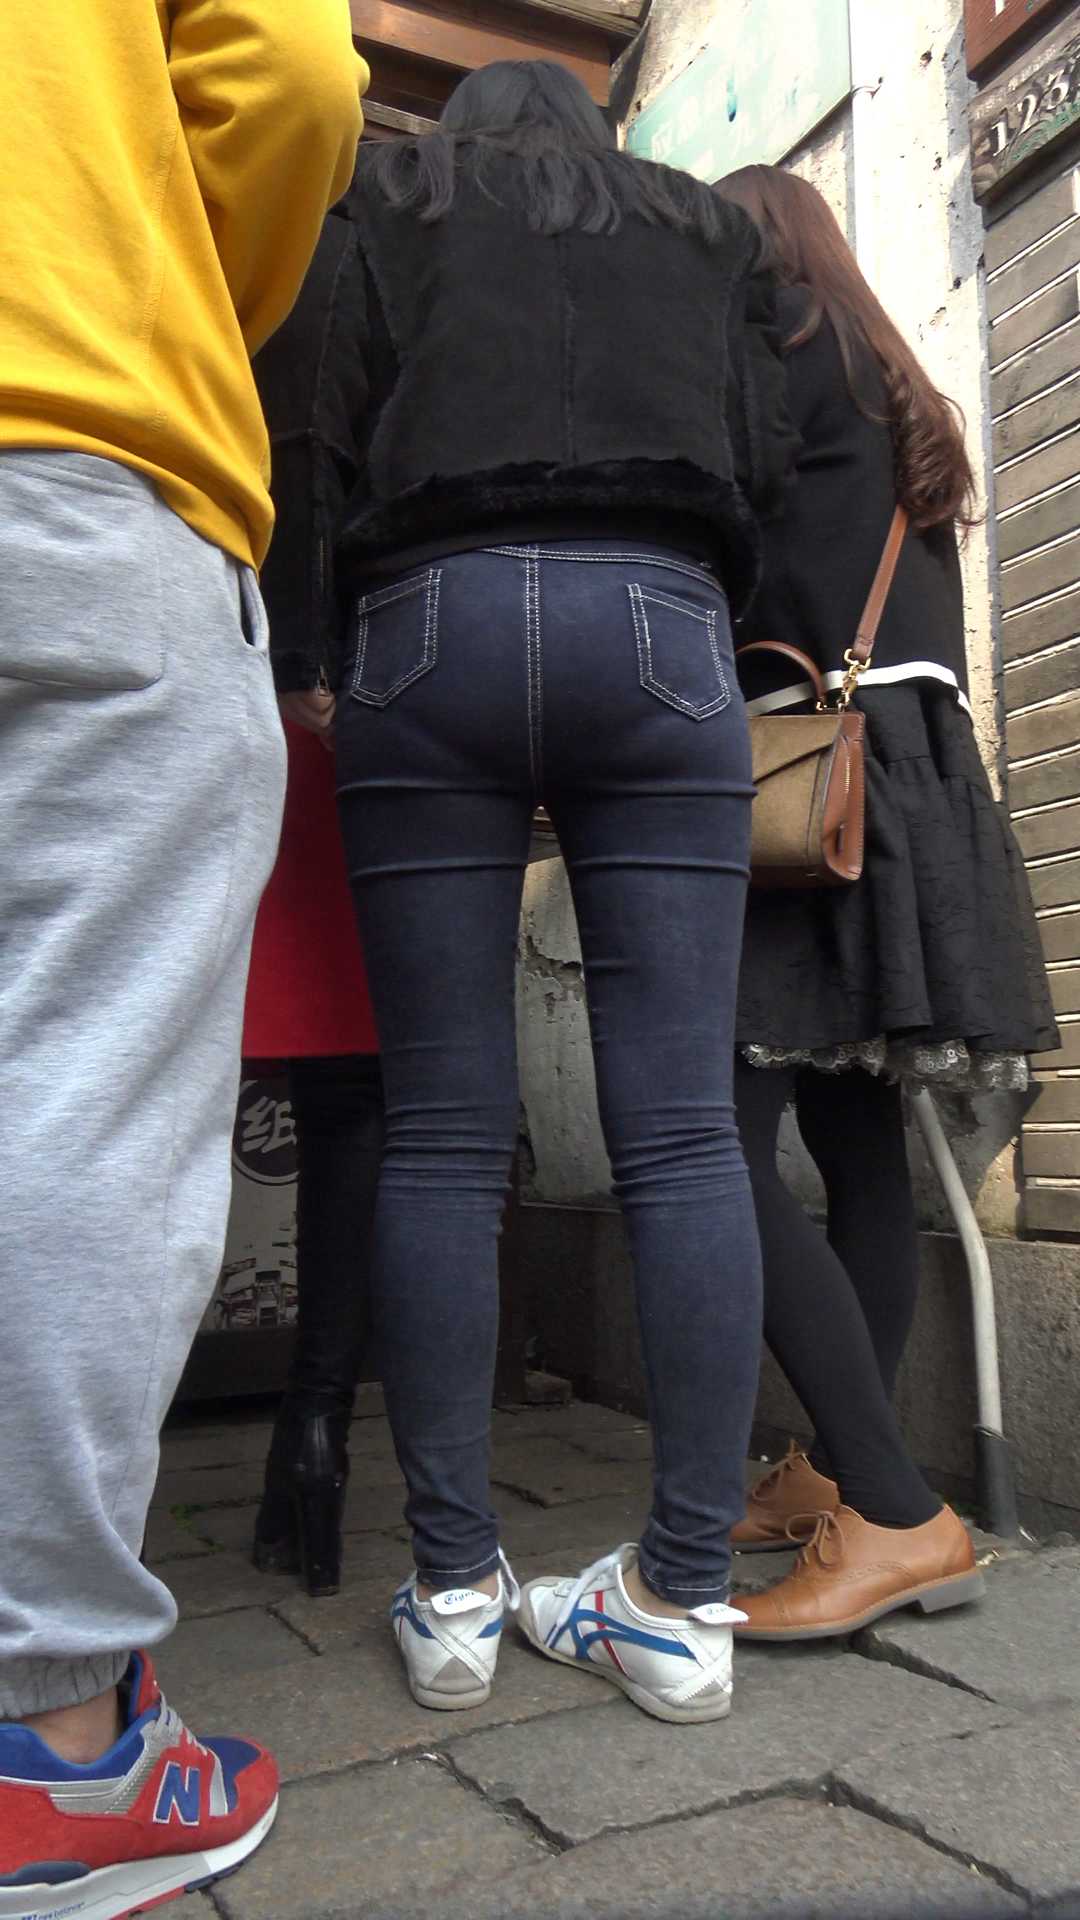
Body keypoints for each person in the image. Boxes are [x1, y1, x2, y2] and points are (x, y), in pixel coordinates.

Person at [258, 58, 799, 1725]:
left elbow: (314, 427)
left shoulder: (383, 203)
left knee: (438, 1126)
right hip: (660, 618)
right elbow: (765, 451)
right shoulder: (702, 226)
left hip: (432, 617)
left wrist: (303, 652)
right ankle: (682, 1601)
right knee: (686, 1133)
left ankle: (451, 1594)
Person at [0, 3, 362, 1911]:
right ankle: (51, 1746)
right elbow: (291, 76)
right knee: (84, 1094)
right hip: (71, 444)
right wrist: (159, 267)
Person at [710, 164, 1057, 1640]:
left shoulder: (773, 348)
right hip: (913, 774)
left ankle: (894, 1511)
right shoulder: (897, 383)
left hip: (808, 785)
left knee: (709, 1136)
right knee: (856, 1145)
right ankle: (834, 1473)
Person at [244, 721, 384, 1598]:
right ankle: (317, 1435)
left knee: (130, 1095)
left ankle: (88, 1502)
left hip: (256, 736)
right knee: (359, 1109)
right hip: (364, 752)